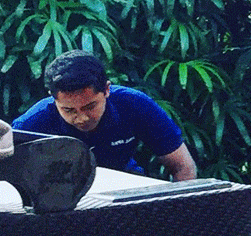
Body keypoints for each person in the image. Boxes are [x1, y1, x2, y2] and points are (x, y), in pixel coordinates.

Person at [13, 50, 198, 181]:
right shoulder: (31, 123)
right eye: (69, 110)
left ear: (107, 90)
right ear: (53, 99)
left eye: (90, 106)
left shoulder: (134, 104)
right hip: (60, 195)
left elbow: (183, 167)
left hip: (124, 184)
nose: (82, 118)